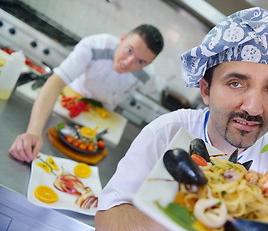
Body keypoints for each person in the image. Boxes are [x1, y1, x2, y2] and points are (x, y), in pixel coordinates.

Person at [95, 7, 268, 230]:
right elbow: (107, 217)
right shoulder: (168, 131)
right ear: (206, 90)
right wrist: (190, 212)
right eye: (236, 83)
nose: (255, 107)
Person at [9, 24, 164, 162]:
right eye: (129, 50)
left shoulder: (147, 75)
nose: (128, 62)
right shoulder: (94, 45)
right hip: (68, 105)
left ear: (148, 64)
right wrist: (34, 132)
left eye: (140, 61)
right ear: (122, 39)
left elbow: (153, 90)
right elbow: (56, 82)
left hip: (100, 120)